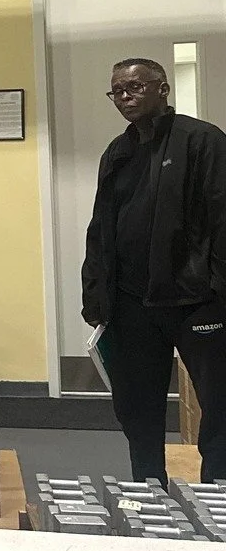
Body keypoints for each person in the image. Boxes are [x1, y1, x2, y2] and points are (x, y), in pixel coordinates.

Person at [82, 57, 226, 482]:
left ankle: (218, 492)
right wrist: (95, 293)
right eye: (117, 91)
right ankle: (149, 488)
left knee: (219, 403)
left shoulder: (202, 140)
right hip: (132, 303)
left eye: (135, 87)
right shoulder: (117, 152)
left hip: (197, 301)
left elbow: (222, 218)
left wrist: (219, 289)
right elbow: (101, 228)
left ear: (162, 89)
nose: (125, 97)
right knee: (137, 407)